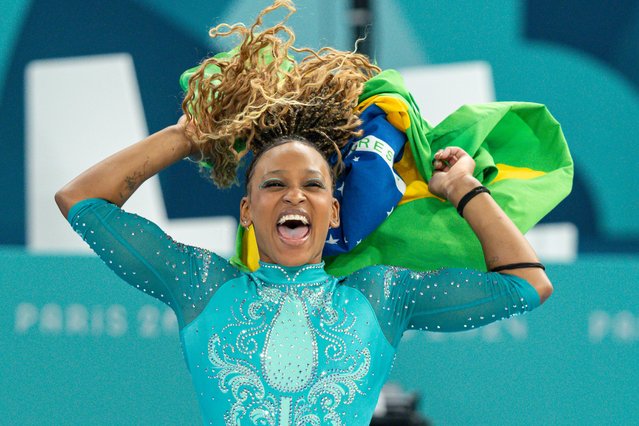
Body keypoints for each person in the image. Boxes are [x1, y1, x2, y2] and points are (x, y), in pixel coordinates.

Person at [55, 1, 553, 424]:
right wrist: (187, 135)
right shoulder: (201, 285)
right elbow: (80, 201)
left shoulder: (382, 296)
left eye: (312, 185)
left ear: (334, 211)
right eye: (274, 184)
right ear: (247, 210)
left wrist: (462, 188)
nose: (294, 196)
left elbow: (526, 284)